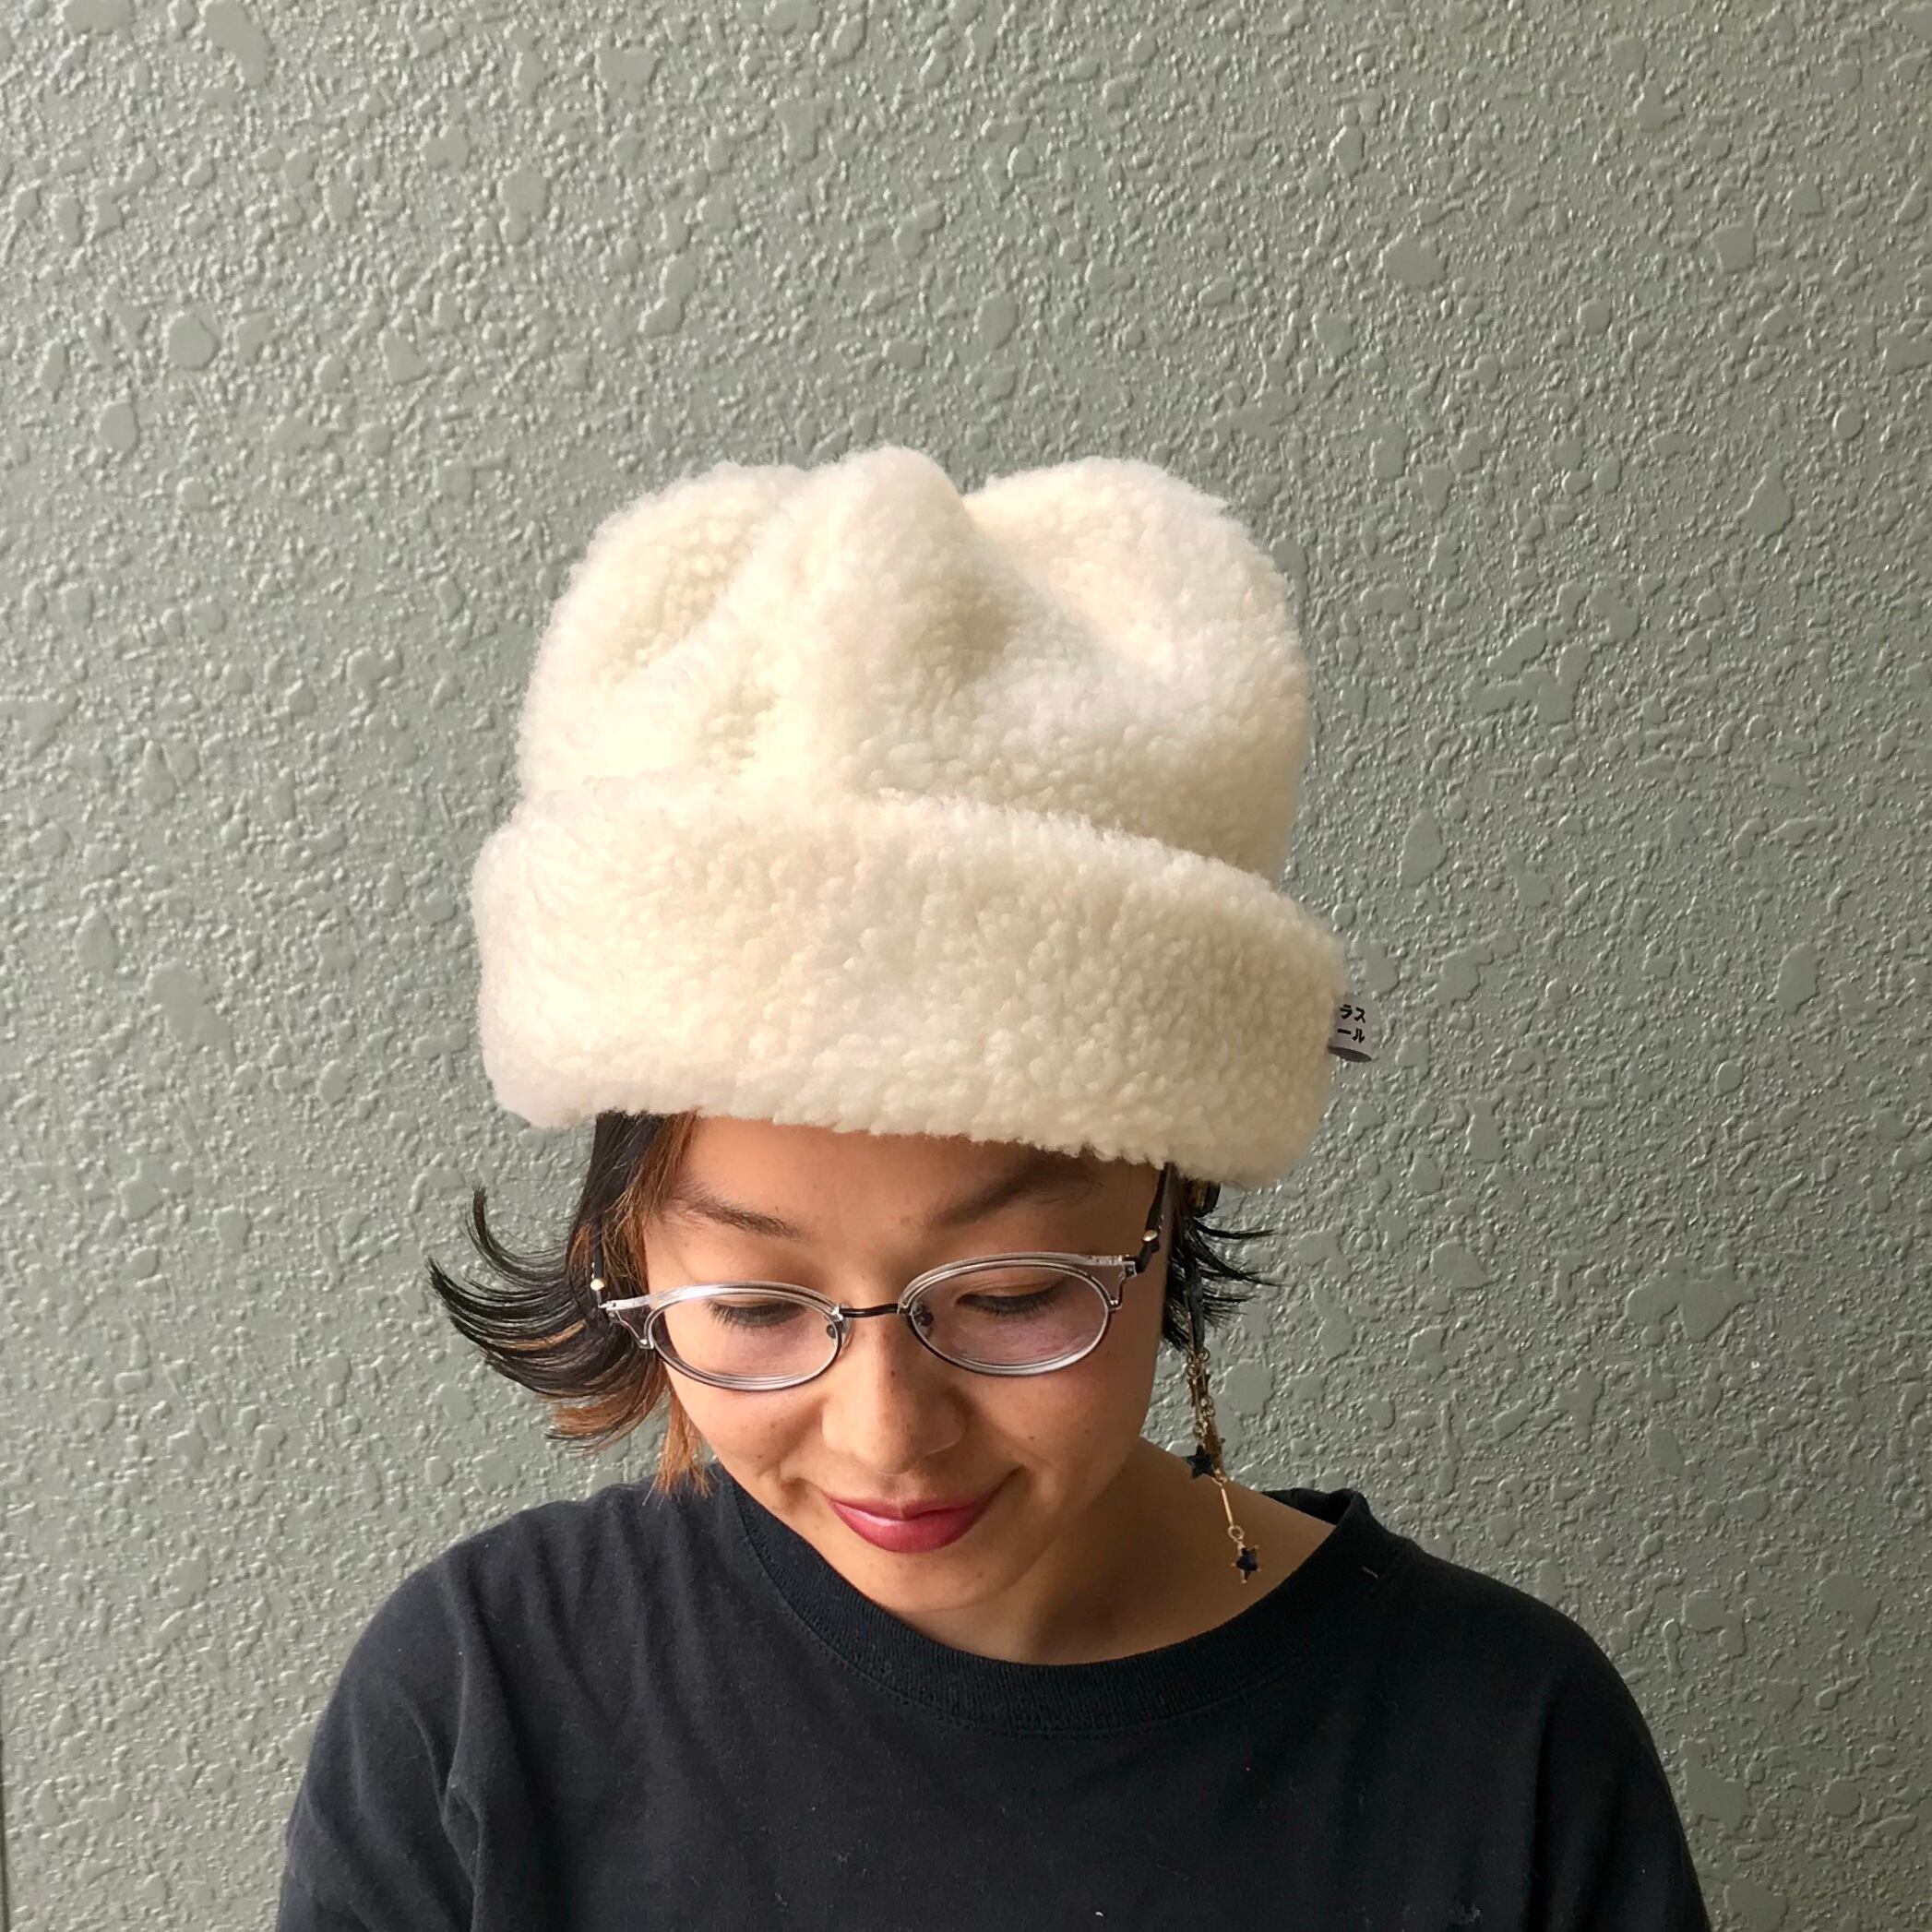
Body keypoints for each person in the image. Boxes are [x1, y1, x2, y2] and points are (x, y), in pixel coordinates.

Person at [275, 446, 1712, 1929]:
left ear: (1169, 1213)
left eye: (1010, 1295)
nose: (886, 1432)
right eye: (755, 1307)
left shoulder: (1503, 1745)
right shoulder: (479, 1701)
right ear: (625, 1258)